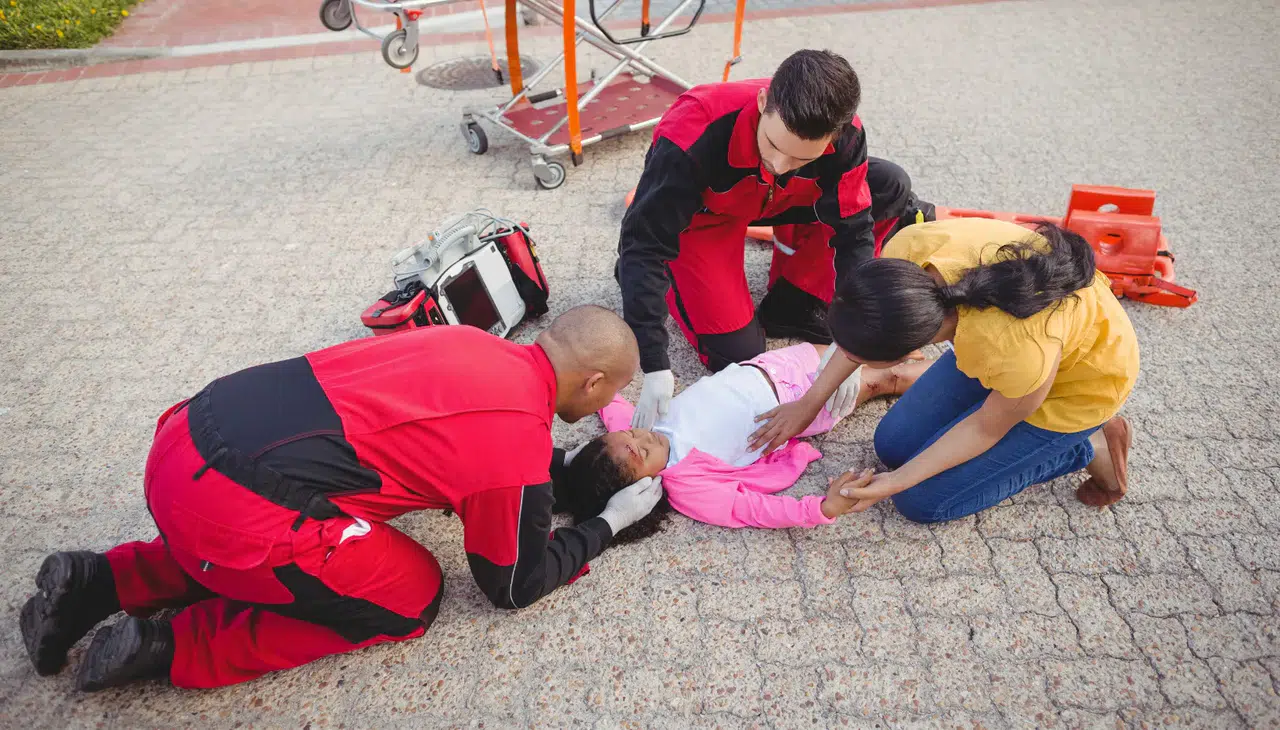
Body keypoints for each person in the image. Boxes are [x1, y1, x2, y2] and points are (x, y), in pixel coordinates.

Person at [19, 305, 665, 691]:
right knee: (409, 596)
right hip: (226, 508)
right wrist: (607, 523)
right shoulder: (517, 446)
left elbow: (458, 437)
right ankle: (171, 647)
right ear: (593, 381)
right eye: (614, 394)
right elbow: (514, 585)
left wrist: (556, 471)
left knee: (281, 513)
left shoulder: (469, 339)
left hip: (186, 437)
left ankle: (99, 582)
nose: (613, 408)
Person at [617, 48, 935, 430]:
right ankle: (679, 278)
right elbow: (643, 247)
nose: (781, 165)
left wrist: (851, 342)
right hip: (707, 216)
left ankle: (795, 299)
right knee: (740, 355)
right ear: (762, 101)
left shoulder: (846, 134)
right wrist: (654, 362)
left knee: (889, 184)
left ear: (835, 135)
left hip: (783, 199)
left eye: (801, 158)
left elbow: (853, 234)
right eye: (774, 145)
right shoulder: (693, 129)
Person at [750, 217, 1140, 523]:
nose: (846, 357)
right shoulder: (908, 255)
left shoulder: (1013, 349)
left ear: (908, 351)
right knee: (893, 445)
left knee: (921, 501)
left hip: (1079, 388)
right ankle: (1014, 422)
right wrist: (809, 403)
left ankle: (1087, 445)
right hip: (1015, 353)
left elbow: (986, 427)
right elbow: (866, 322)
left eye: (861, 357)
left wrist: (898, 482)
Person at [555, 343, 928, 538]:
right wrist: (821, 509)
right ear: (642, 486)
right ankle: (948, 374)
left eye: (629, 434)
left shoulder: (633, 429)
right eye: (642, 452)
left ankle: (910, 344)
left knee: (865, 347)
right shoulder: (688, 485)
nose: (642, 436)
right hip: (806, 404)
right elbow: (752, 509)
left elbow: (604, 400)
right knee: (887, 379)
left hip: (774, 365)